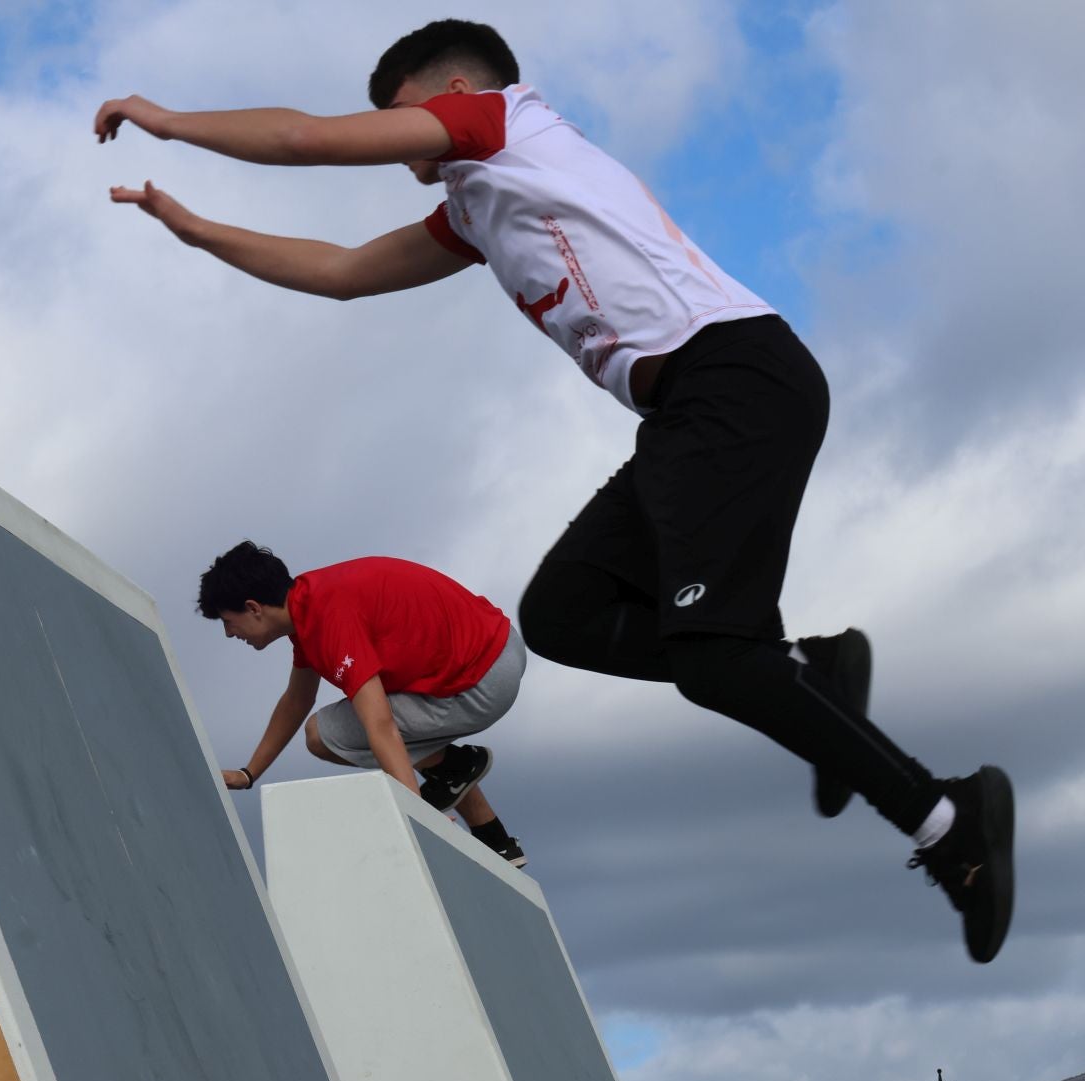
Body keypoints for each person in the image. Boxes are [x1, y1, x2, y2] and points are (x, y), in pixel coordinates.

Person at [100, 20, 1014, 961]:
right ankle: (804, 669)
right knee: (564, 614)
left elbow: (304, 139)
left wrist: (166, 120)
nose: (403, 153)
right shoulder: (478, 206)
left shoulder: (502, 122)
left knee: (712, 657)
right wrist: (197, 230)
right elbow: (341, 273)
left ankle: (948, 821)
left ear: (455, 91)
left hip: (734, 381)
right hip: (688, 412)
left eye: (402, 118)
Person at [198, 541, 528, 868]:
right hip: (497, 649)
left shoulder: (328, 618)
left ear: (254, 608)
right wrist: (249, 773)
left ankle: (453, 768)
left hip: (483, 682)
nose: (229, 633)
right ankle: (494, 838)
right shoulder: (309, 601)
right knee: (409, 746)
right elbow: (297, 700)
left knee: (324, 735)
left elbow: (380, 724)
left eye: (228, 621)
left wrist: (419, 820)